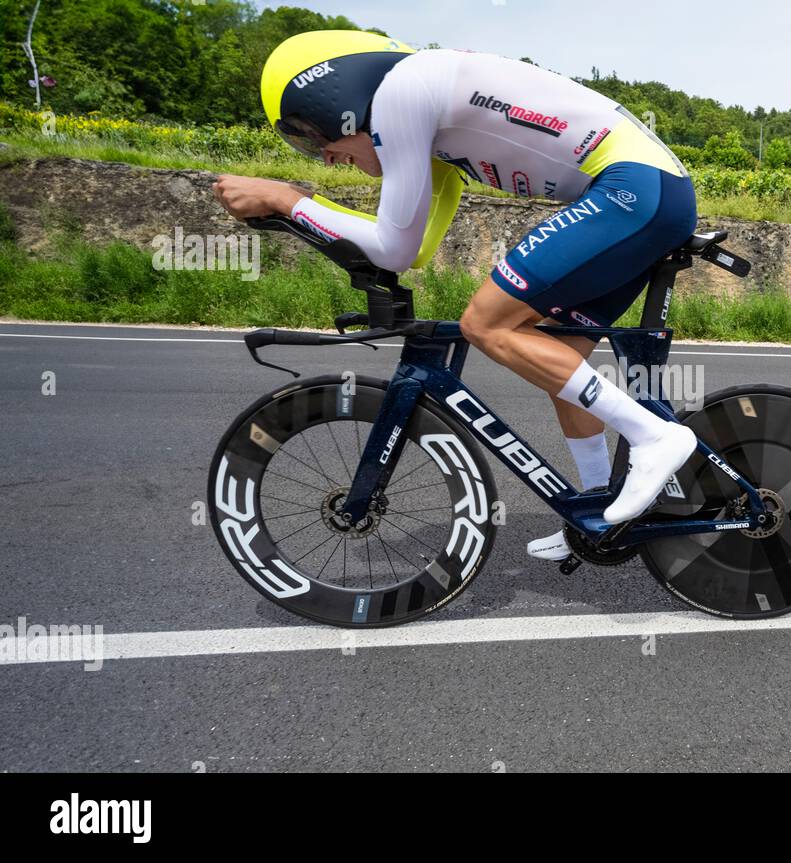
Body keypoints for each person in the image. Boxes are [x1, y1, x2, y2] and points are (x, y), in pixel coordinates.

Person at [211, 30, 698, 560]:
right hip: (645, 193)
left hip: (633, 190)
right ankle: (600, 514)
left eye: (310, 136)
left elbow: (392, 248)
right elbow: (410, 247)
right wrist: (300, 214)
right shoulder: (431, 119)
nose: (323, 157)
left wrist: (287, 199)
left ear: (336, 100)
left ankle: (654, 438)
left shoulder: (402, 91)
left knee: (485, 323)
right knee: (558, 357)